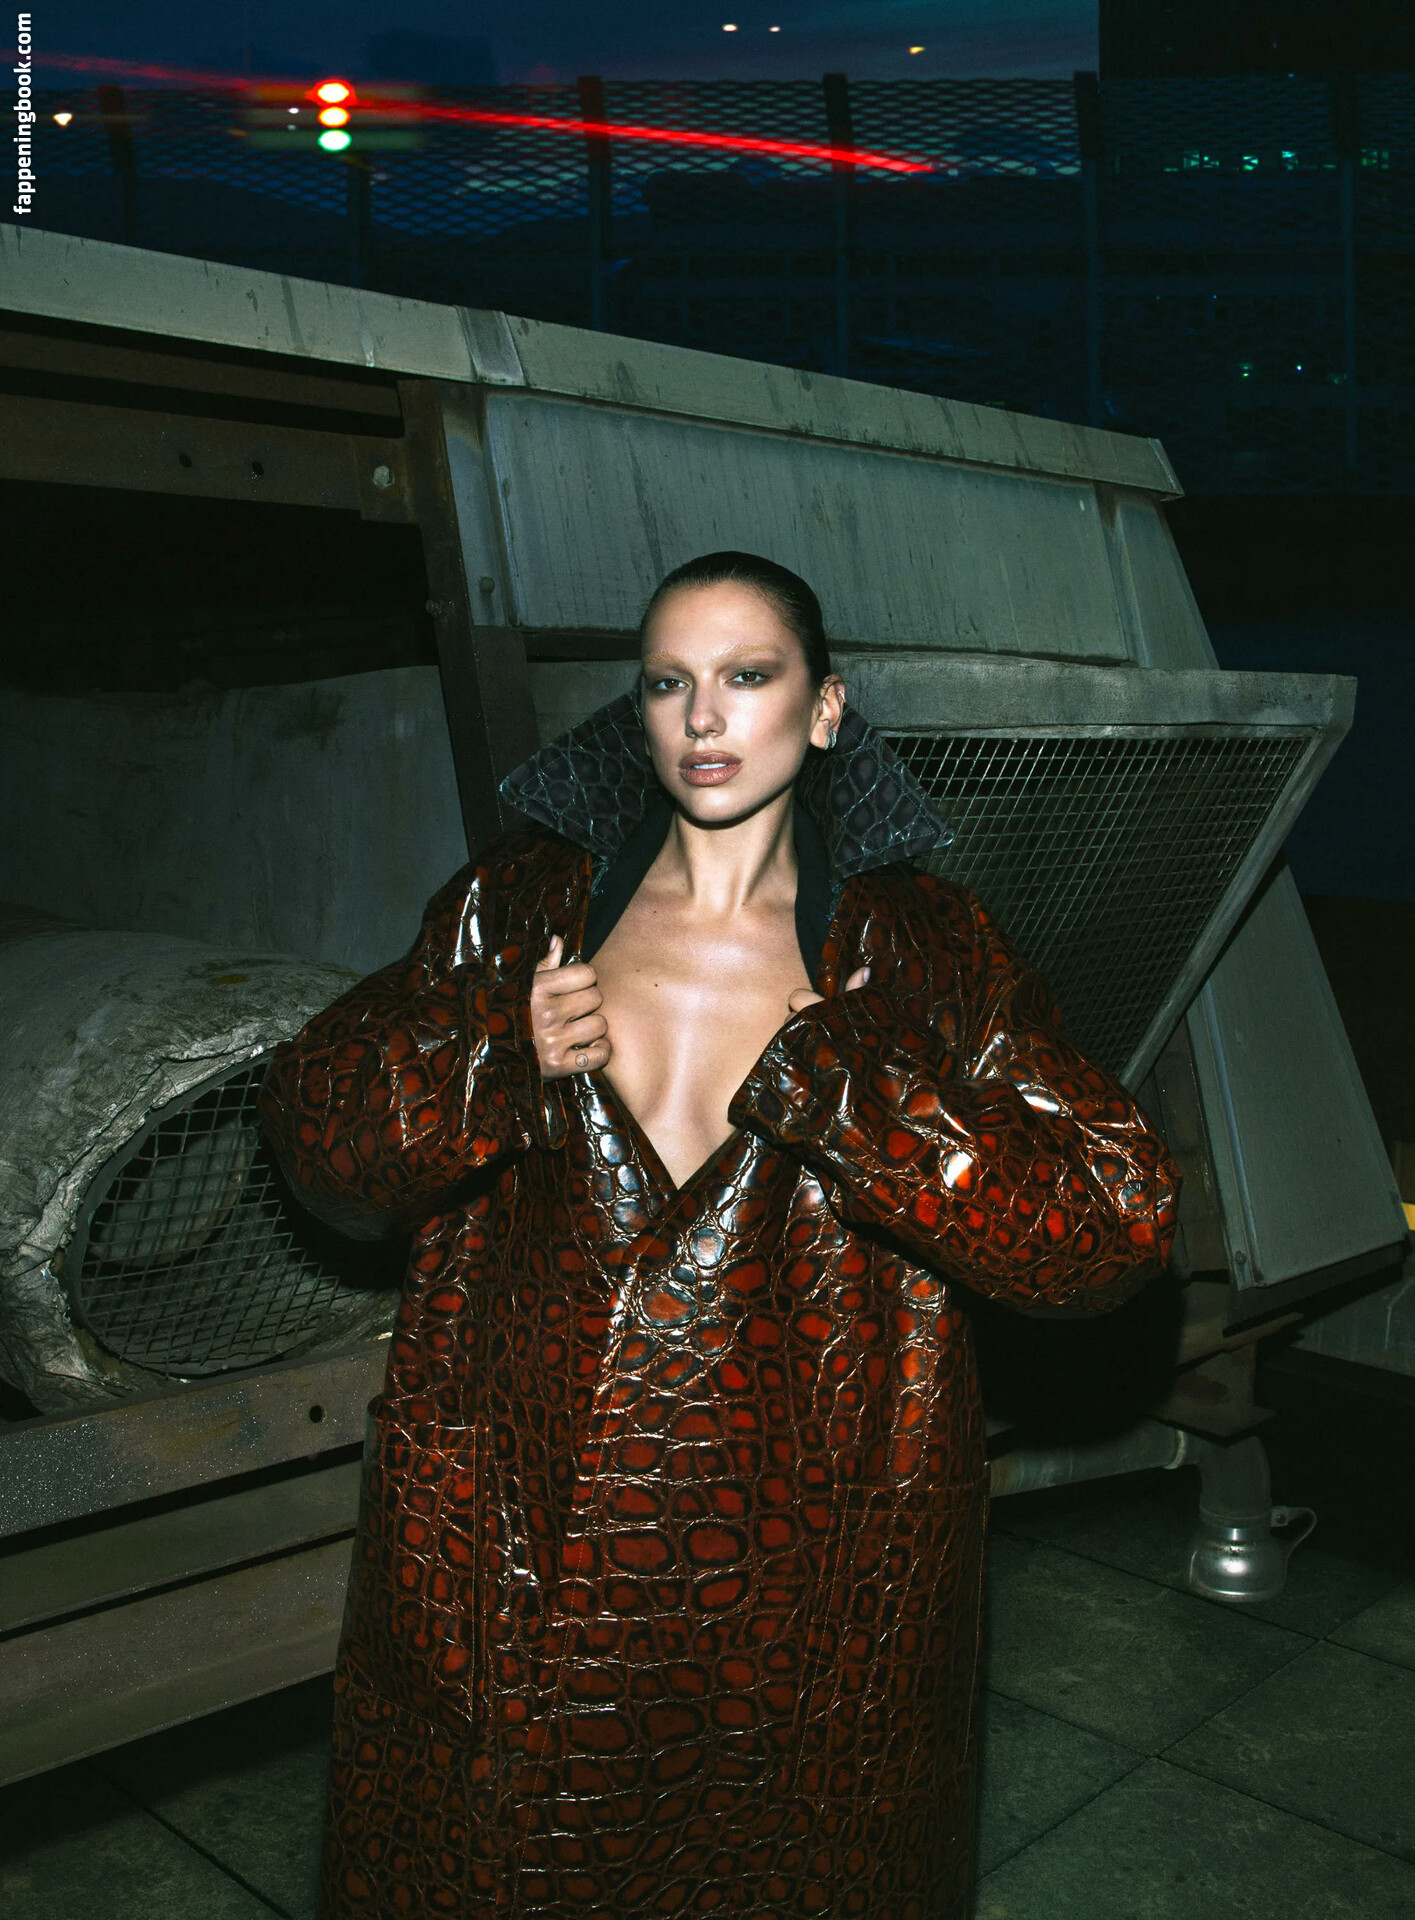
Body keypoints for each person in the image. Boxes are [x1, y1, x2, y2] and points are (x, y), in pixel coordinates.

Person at [260, 550, 1179, 1919]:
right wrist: (490, 1054)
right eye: (668, 683)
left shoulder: (925, 953)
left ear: (824, 708)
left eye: (748, 676)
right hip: (516, 1542)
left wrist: (875, 1104)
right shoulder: (521, 907)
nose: (703, 717)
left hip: (813, 1575)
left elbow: (1112, 1228)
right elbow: (316, 1144)